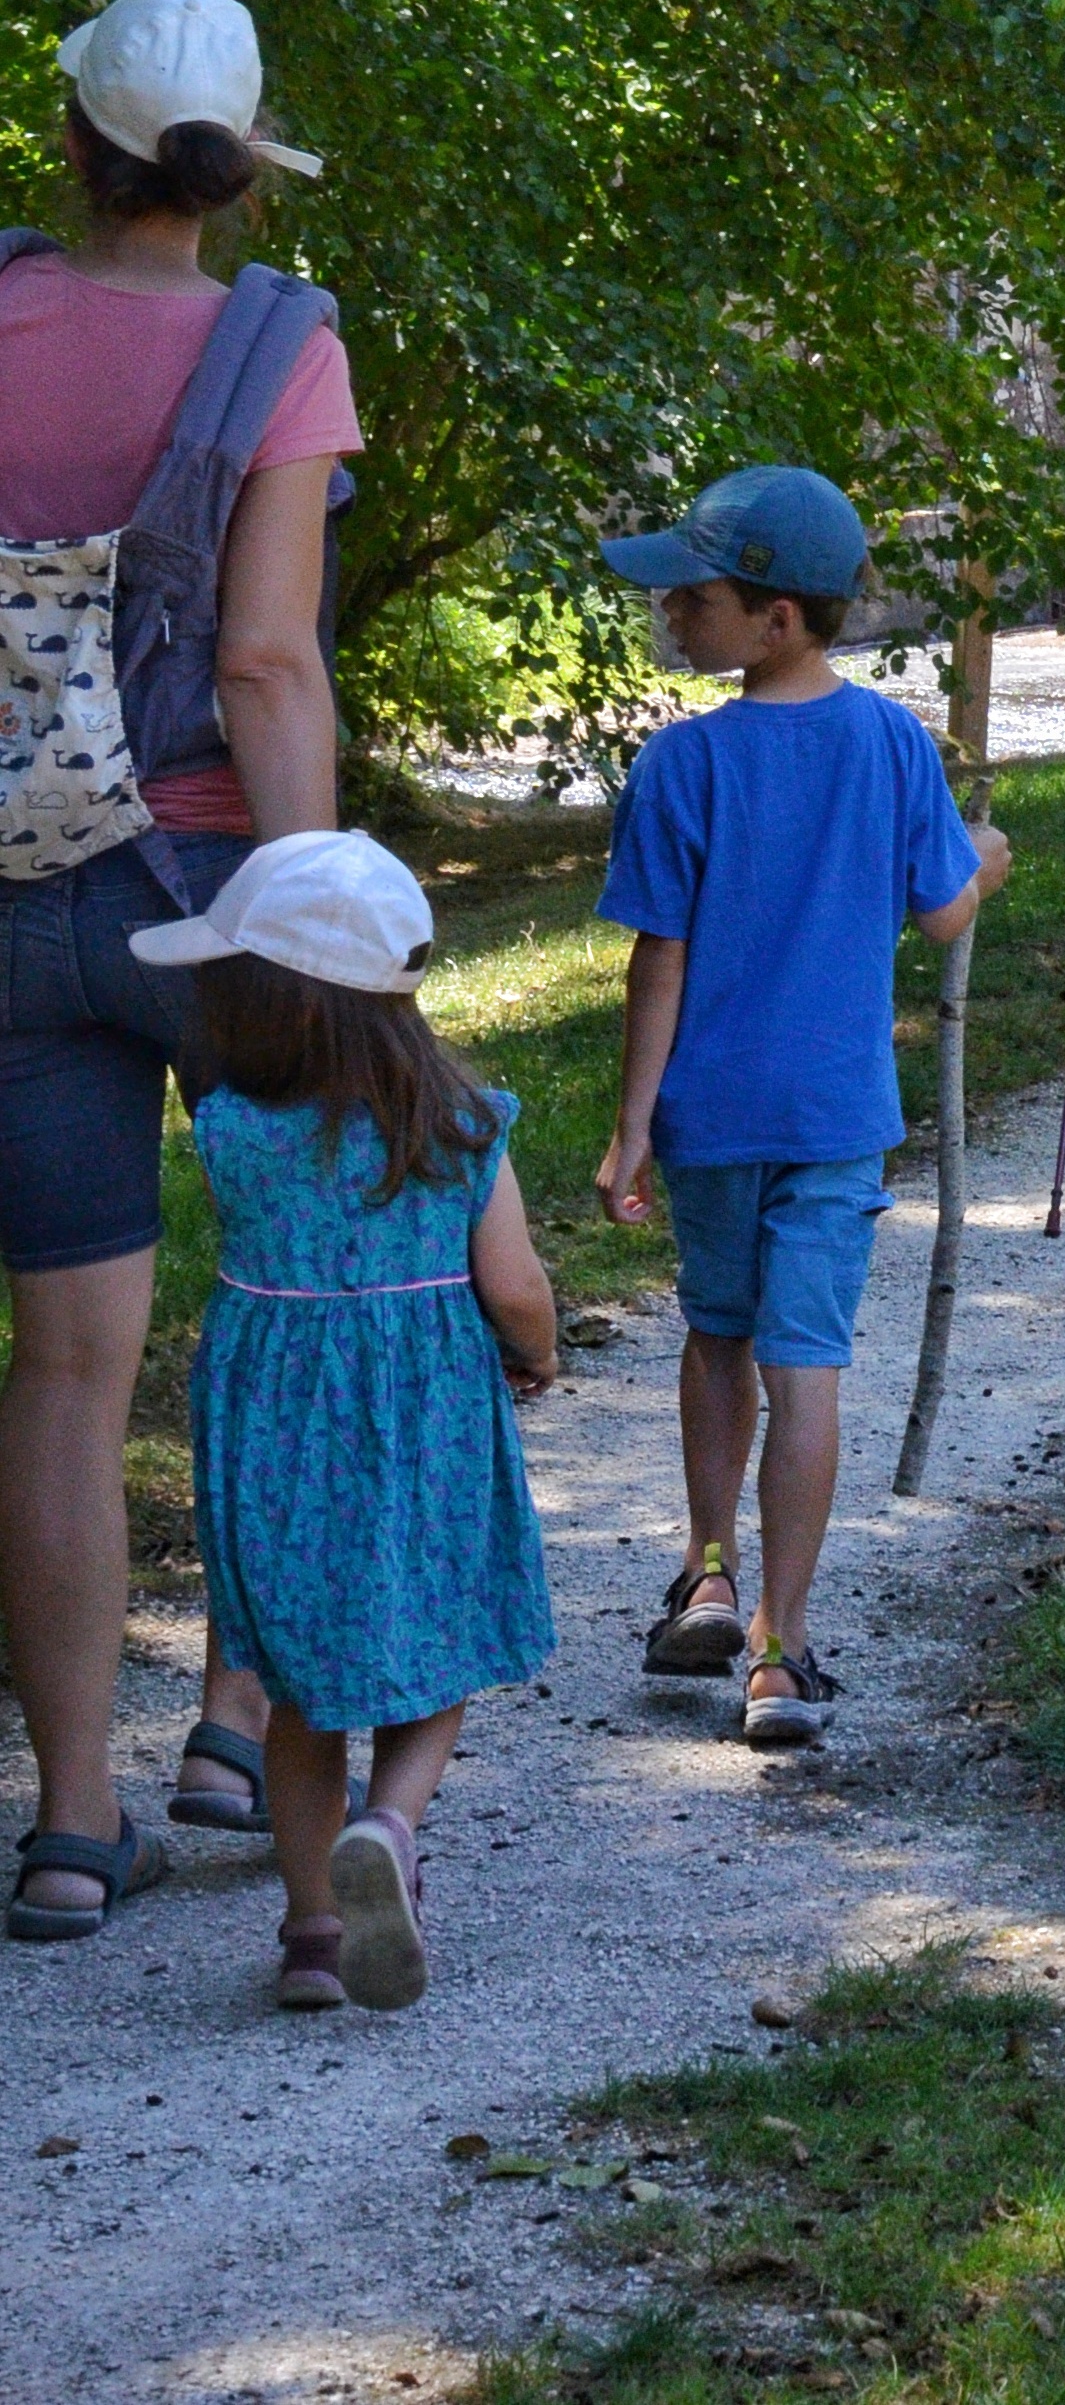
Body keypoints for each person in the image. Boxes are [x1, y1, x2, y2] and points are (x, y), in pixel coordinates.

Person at [0, 0, 356, 1941]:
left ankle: (70, 1821)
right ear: (229, 166)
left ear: (74, 137)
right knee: (284, 1298)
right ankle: (235, 1719)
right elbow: (264, 661)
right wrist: (315, 926)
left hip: (5, 890)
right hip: (203, 877)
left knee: (63, 1366)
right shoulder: (276, 347)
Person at [593, 466, 1007, 1743]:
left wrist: (631, 1123)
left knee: (717, 1335)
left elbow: (656, 956)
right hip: (836, 1114)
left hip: (711, 1112)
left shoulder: (682, 761)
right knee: (805, 1366)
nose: (670, 606)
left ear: (776, 617)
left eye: (696, 592)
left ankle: (708, 1565)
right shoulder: (890, 741)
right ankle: (780, 1644)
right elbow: (942, 910)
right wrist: (983, 860)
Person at [135, 830, 558, 2011]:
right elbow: (516, 1286)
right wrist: (535, 1351)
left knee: (297, 1689)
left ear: (262, 1003)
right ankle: (394, 1821)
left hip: (273, 1419)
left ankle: (315, 1929)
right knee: (443, 1640)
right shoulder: (463, 1123)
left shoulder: (230, 1127)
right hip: (421, 1416)